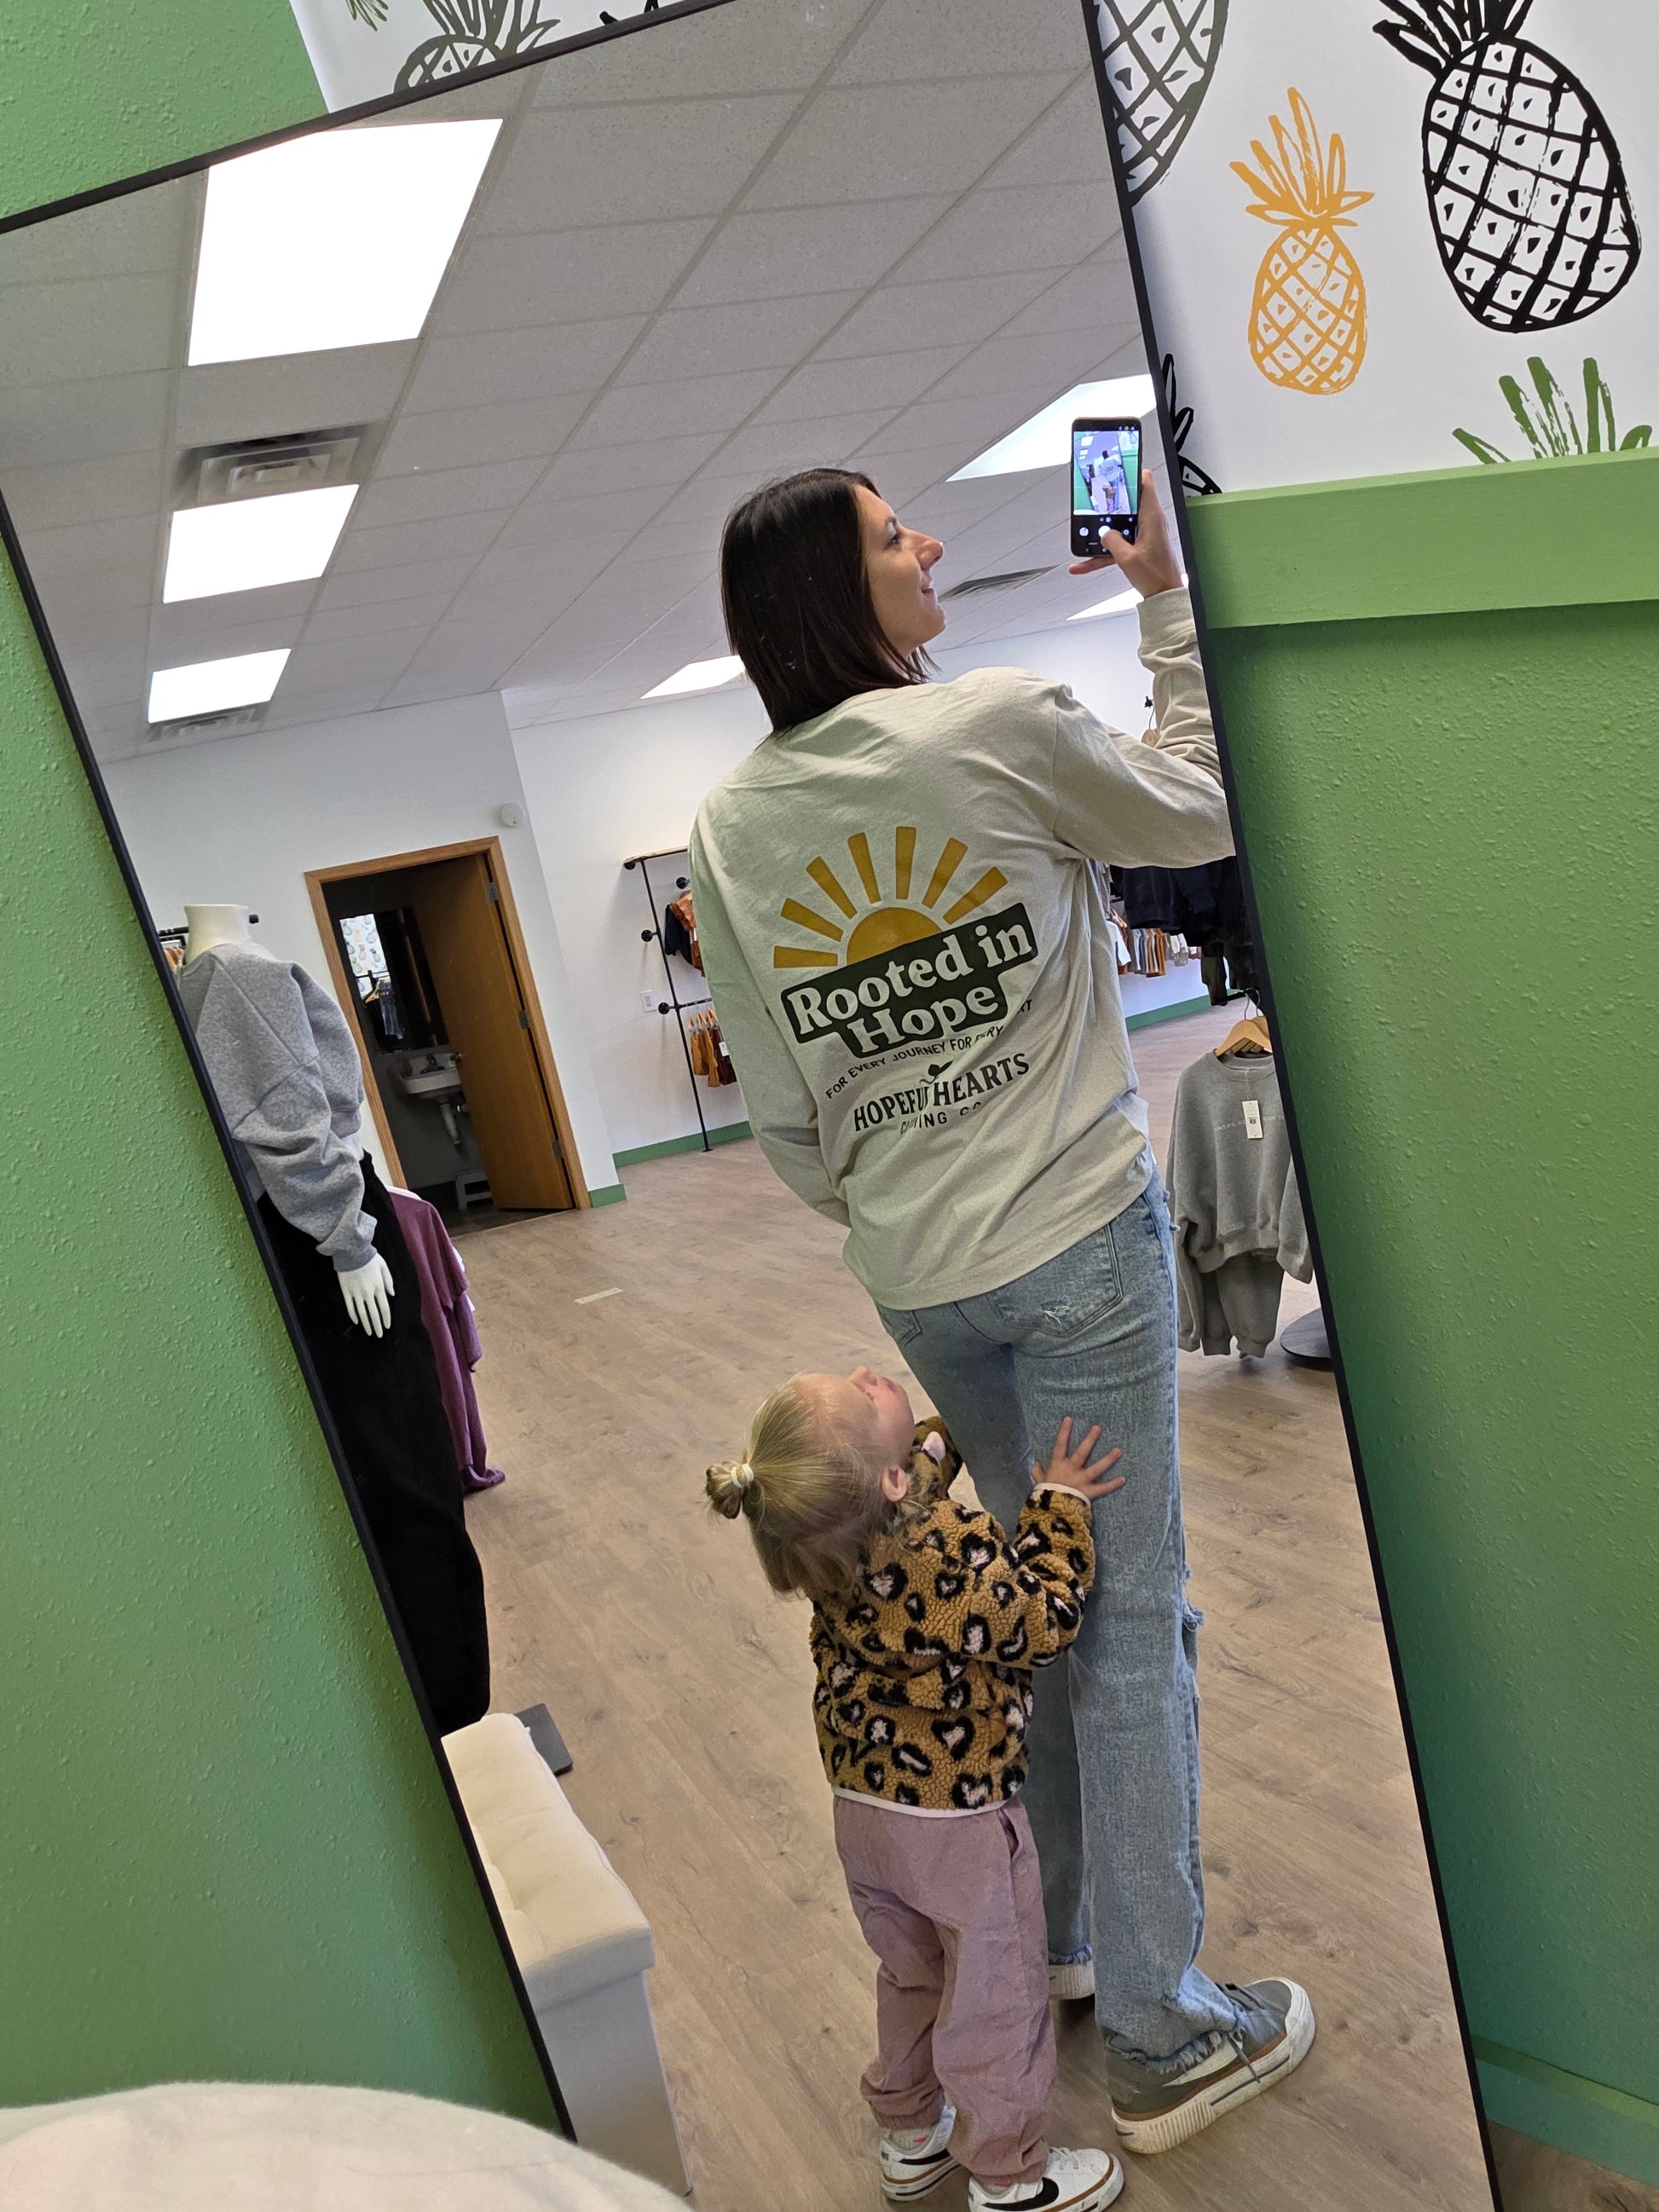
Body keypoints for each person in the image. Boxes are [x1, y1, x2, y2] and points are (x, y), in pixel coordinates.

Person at [690, 465, 1315, 2154]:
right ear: (839, 588)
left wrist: (893, 1203)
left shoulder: (733, 827)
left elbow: (784, 1117)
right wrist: (1163, 600)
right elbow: (1201, 805)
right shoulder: (988, 723)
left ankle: (1054, 1948)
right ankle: (1170, 2027)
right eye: (898, 536)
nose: (932, 546)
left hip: (921, 1276)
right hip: (1073, 1241)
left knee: (1017, 1597)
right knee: (1127, 1623)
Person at [707, 1363, 1128, 2212]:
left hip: (861, 1809)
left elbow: (913, 1468)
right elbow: (1040, 1618)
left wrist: (938, 1429)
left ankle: (908, 2133)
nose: (868, 1373)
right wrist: (1056, 1502)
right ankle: (1012, 2175)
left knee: (912, 1974)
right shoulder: (943, 1553)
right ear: (891, 1481)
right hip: (954, 1821)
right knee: (994, 1990)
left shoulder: (830, 1526)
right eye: (862, 1393)